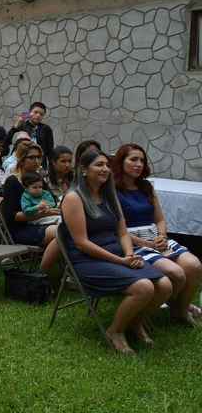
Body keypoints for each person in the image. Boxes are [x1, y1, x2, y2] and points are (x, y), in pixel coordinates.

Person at [61, 150, 172, 353]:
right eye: (99, 165)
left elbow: (122, 232)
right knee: (144, 288)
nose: (105, 169)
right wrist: (121, 261)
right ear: (84, 170)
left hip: (118, 253)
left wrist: (129, 254)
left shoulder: (109, 194)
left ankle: (135, 321)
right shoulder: (73, 198)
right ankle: (115, 330)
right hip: (87, 260)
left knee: (165, 285)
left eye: (107, 165)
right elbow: (82, 243)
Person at [112, 144, 202, 324]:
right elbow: (115, 228)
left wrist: (161, 236)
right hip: (133, 242)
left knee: (194, 265)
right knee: (176, 273)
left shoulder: (146, 187)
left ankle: (180, 311)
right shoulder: (112, 190)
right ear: (121, 162)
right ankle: (143, 318)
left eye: (141, 160)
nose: (138, 164)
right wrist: (146, 244)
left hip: (155, 237)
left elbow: (160, 218)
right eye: (133, 159)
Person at [1, 143, 60, 270]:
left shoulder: (38, 179)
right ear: (21, 160)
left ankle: (62, 272)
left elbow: (52, 201)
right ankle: (42, 274)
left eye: (39, 157)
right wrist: (44, 213)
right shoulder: (12, 182)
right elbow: (12, 217)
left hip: (43, 222)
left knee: (71, 229)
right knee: (62, 232)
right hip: (22, 230)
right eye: (32, 157)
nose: (37, 161)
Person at [6, 102, 54, 166]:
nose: (38, 115)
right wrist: (16, 126)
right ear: (29, 113)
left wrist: (50, 167)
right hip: (21, 162)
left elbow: (50, 150)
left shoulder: (46, 129)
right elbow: (7, 141)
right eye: (35, 112)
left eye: (41, 114)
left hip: (39, 163)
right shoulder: (22, 125)